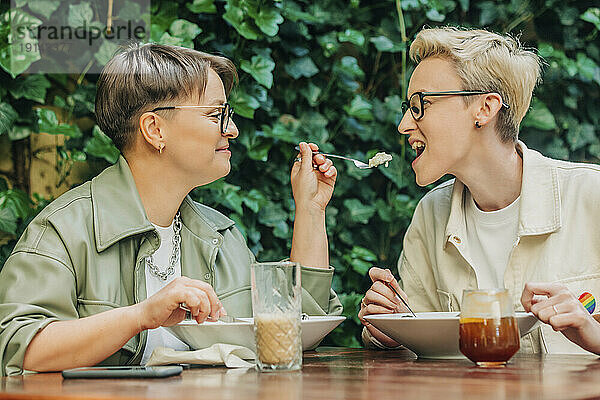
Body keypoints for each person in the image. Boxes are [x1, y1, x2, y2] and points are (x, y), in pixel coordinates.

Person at [0, 43, 342, 376]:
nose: (233, 130)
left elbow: (296, 330)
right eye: (216, 115)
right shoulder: (62, 230)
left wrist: (310, 210)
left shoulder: (222, 236)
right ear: (154, 129)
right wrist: (141, 316)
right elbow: (19, 347)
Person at [359, 27, 600, 354]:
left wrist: (591, 331)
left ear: (485, 109)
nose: (403, 124)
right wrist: (391, 329)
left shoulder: (591, 195)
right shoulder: (430, 215)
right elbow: (416, 358)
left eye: (420, 105)